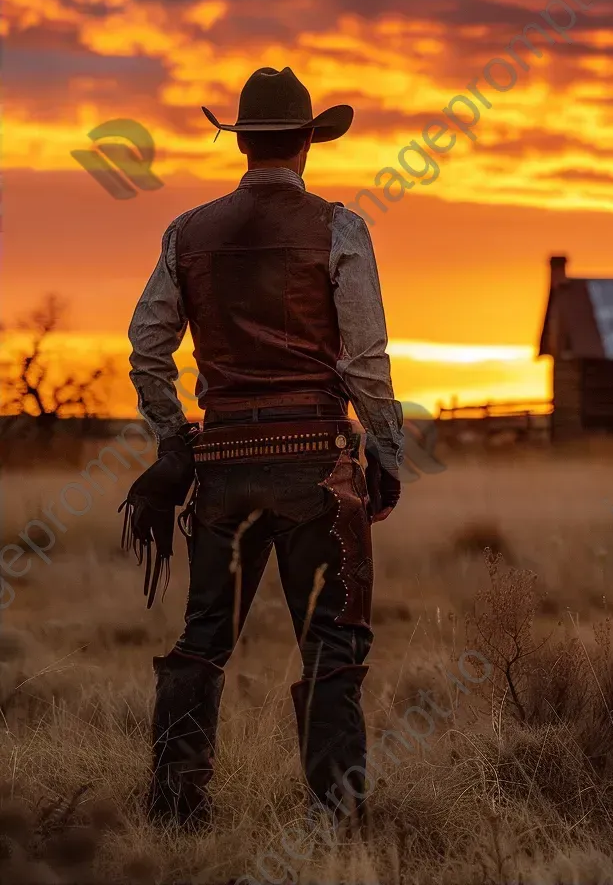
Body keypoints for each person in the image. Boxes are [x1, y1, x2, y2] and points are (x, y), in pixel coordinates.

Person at [122, 66, 404, 834]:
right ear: (309, 143)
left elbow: (148, 349)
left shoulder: (188, 231)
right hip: (317, 467)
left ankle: (178, 813)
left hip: (220, 472)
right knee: (332, 643)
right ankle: (335, 820)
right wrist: (387, 449)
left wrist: (173, 442)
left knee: (203, 641)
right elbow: (366, 358)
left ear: (243, 144)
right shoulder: (339, 227)